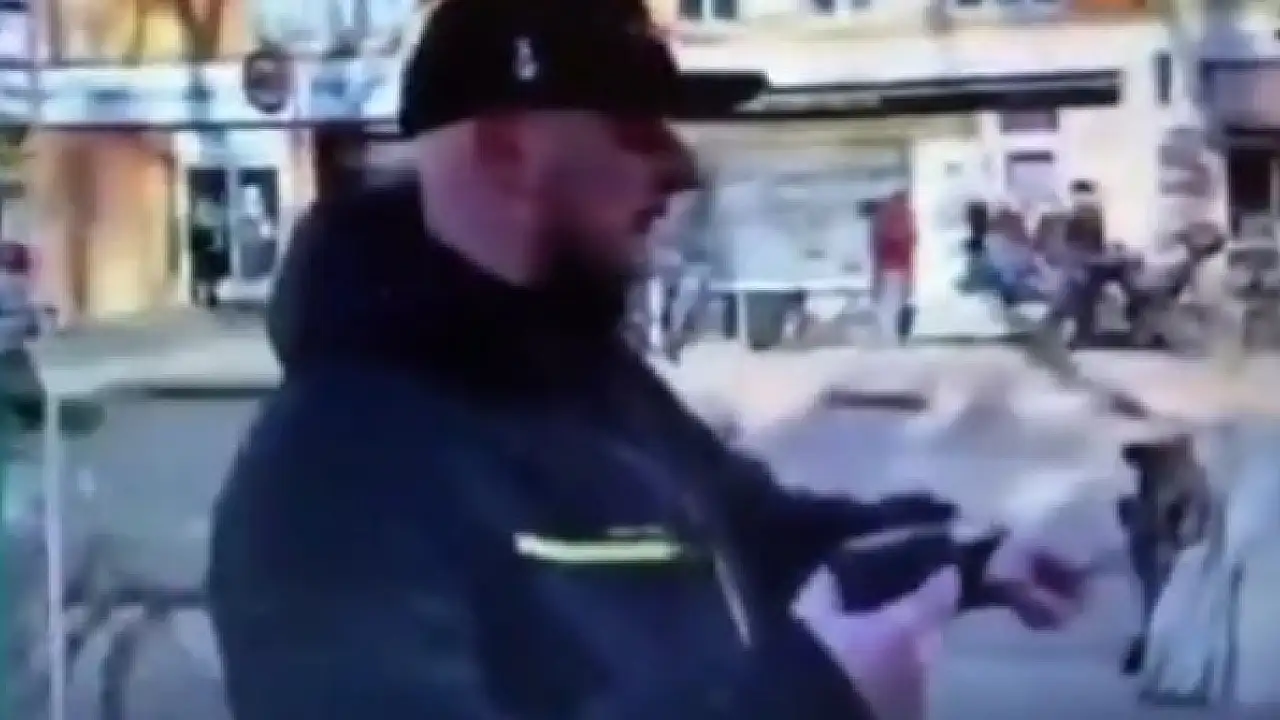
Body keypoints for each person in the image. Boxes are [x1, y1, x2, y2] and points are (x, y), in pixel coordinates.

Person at [208, 1, 1087, 719]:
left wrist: (960, 559)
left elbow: (759, 532)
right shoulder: (335, 474)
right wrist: (810, 702)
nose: (681, 168)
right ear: (507, 152)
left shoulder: (590, 376)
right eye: (634, 129)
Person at [872, 190, 917, 344]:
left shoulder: (889, 220)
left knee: (889, 305)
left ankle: (890, 337)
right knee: (893, 304)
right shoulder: (903, 219)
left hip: (892, 269)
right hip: (895, 269)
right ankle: (893, 337)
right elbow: (908, 249)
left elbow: (879, 249)